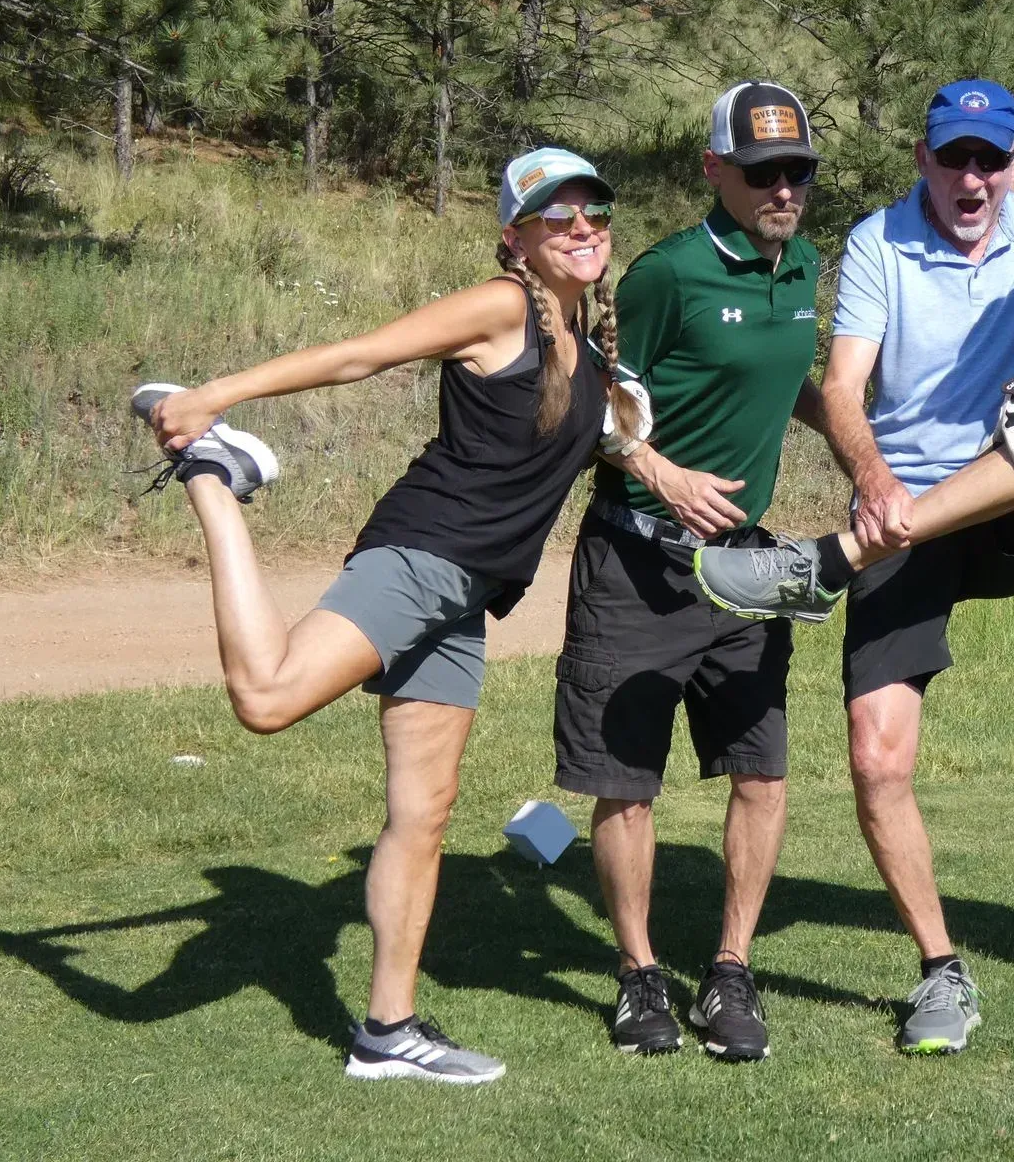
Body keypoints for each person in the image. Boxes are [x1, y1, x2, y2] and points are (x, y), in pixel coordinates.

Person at [129, 146, 646, 1086]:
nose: (581, 230)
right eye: (556, 218)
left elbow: (600, 442)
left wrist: (651, 458)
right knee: (267, 697)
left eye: (594, 215)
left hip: (467, 599)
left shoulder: (590, 343)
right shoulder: (500, 306)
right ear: (515, 238)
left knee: (423, 813)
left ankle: (387, 1031)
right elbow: (360, 353)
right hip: (420, 558)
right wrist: (214, 397)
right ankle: (216, 474)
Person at [692, 79, 1014, 1055]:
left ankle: (824, 564)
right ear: (922, 159)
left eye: (991, 159)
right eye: (953, 157)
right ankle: (940, 973)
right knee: (877, 755)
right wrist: (872, 478)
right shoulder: (879, 241)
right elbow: (842, 387)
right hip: (901, 512)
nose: (972, 178)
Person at [552, 81, 831, 1063]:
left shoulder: (800, 265)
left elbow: (790, 376)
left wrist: (868, 461)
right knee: (624, 782)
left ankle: (729, 970)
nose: (783, 190)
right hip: (637, 561)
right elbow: (594, 402)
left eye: (797, 171)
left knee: (761, 771)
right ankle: (637, 978)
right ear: (716, 170)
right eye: (763, 173)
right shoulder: (663, 275)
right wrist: (661, 472)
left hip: (746, 572)